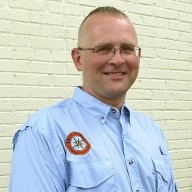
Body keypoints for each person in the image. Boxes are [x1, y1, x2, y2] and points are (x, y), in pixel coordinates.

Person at [9, 6, 178, 192]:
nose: (118, 59)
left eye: (127, 49)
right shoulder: (44, 133)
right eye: (104, 49)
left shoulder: (152, 132)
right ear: (78, 59)